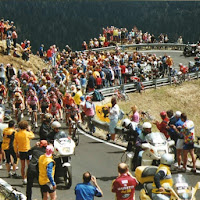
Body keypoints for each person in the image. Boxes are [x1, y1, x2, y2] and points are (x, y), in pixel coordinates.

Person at [14, 120, 35, 184]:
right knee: (29, 165)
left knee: (22, 166)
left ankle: (23, 178)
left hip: (21, 151)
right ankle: (28, 177)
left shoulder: (17, 134)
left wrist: (16, 152)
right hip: (27, 150)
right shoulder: (27, 133)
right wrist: (30, 130)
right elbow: (33, 136)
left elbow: (15, 144)